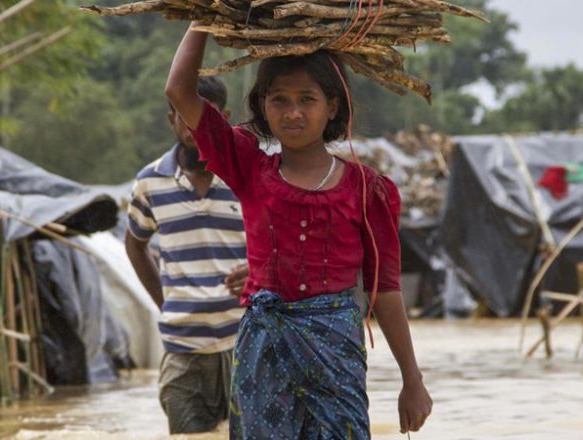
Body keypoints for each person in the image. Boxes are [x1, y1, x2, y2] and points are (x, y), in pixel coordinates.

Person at [165, 23, 433, 438]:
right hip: (263, 352)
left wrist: (411, 379)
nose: (293, 113)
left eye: (307, 100)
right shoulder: (249, 167)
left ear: (332, 106)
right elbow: (180, 92)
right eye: (280, 100)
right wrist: (202, 19)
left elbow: (386, 289)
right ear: (263, 107)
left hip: (337, 356)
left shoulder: (366, 189)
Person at [125, 76, 248, 435]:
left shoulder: (245, 175)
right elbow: (135, 243)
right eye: (184, 115)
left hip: (244, 342)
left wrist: (257, 268)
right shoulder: (150, 183)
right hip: (183, 350)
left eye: (205, 115)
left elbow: (277, 240)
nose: (193, 125)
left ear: (223, 118)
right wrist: (165, 303)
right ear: (171, 120)